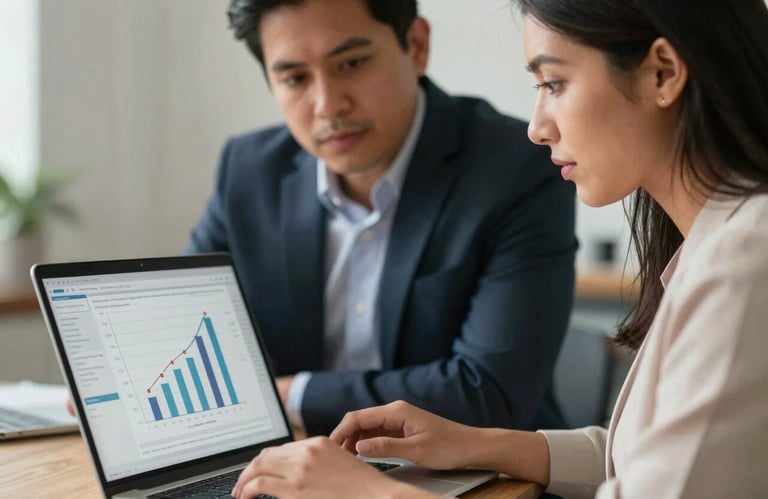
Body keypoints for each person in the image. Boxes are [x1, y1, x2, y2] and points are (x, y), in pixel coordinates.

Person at [229, 0, 768, 497]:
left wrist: (371, 492)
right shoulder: (721, 244)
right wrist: (476, 444)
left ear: (663, 73)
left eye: (553, 83)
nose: (537, 127)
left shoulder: (741, 263)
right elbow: (652, 458)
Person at [182, 0, 577, 436]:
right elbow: (182, 337)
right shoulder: (248, 172)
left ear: (416, 46)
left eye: (351, 63)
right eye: (295, 78)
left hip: (478, 477)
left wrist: (292, 396)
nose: (328, 105)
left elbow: (488, 394)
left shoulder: (516, 170)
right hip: (303, 463)